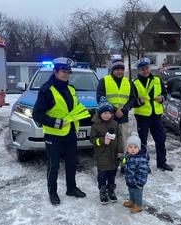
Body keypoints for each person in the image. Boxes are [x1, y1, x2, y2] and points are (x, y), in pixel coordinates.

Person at [32, 57, 88, 206]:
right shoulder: (46, 90)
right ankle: (53, 192)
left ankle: (71, 188)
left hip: (70, 133)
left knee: (71, 163)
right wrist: (57, 123)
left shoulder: (71, 89)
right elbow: (37, 114)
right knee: (54, 165)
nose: (66, 75)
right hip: (54, 135)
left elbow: (74, 108)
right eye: (63, 71)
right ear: (55, 71)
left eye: (68, 72)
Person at [132, 57, 173, 171]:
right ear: (139, 70)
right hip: (142, 116)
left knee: (160, 140)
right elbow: (132, 102)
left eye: (147, 68)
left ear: (149, 68)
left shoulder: (157, 80)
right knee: (143, 142)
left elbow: (165, 94)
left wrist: (162, 98)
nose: (145, 71)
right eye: (142, 69)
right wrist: (139, 102)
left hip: (156, 115)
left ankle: (162, 162)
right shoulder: (135, 83)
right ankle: (144, 164)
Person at [96, 59, 136, 154]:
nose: (120, 71)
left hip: (123, 117)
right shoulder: (104, 81)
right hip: (108, 118)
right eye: (117, 69)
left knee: (123, 142)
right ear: (112, 70)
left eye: (122, 69)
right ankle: (111, 165)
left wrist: (124, 110)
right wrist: (114, 110)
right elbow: (100, 98)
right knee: (109, 141)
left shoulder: (128, 82)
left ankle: (123, 164)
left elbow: (133, 99)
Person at [90, 97, 123, 204]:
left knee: (112, 174)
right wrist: (102, 140)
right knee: (102, 175)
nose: (107, 115)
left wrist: (120, 151)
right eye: (104, 113)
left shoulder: (115, 124)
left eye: (109, 112)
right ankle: (102, 191)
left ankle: (111, 190)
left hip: (113, 155)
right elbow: (92, 139)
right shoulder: (95, 125)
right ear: (100, 113)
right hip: (102, 155)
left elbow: (119, 137)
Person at [122, 132, 148, 213]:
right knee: (131, 191)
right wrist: (123, 165)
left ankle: (138, 205)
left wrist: (141, 182)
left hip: (138, 182)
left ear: (139, 148)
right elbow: (125, 164)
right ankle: (132, 201)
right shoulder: (128, 155)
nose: (132, 149)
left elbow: (143, 172)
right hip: (130, 179)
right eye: (130, 147)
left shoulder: (141, 159)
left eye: (135, 147)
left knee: (137, 193)